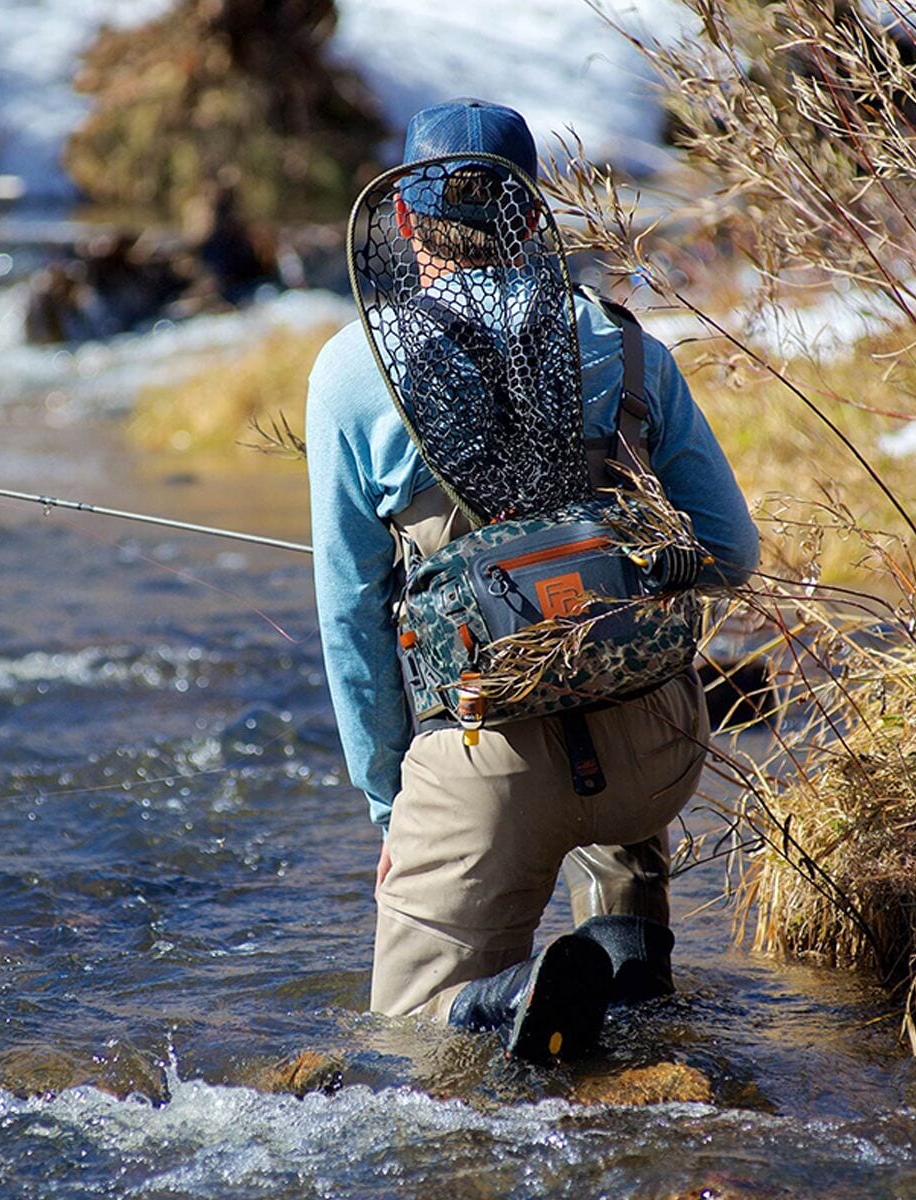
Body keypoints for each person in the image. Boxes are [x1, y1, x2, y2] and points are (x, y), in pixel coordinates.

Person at [306, 98, 759, 1059]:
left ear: (399, 218)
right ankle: (631, 953)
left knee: (404, 1050)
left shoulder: (352, 370)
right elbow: (733, 554)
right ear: (531, 211)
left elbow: (350, 614)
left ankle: (491, 1004)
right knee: (598, 635)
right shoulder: (632, 347)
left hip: (487, 770)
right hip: (655, 756)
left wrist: (397, 808)